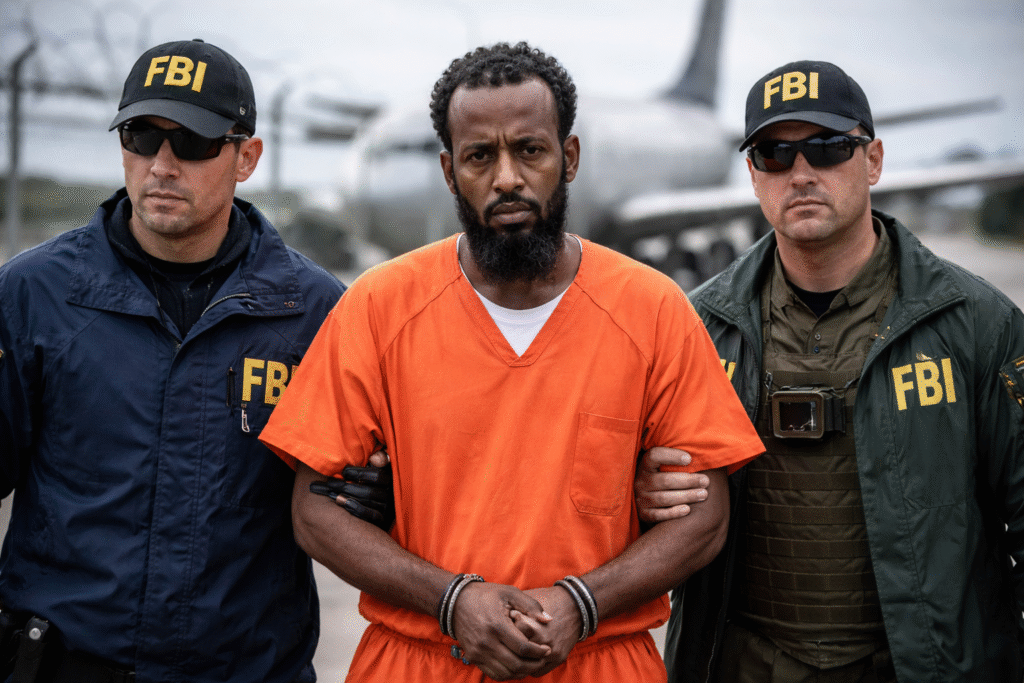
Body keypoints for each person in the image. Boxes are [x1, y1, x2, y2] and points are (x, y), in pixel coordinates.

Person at [258, 41, 764, 682]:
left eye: (529, 150)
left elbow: (705, 517)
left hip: (599, 663)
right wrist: (450, 599)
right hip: (418, 662)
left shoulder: (653, 310)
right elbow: (314, 511)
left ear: (569, 156)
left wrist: (583, 604)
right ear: (450, 170)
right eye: (479, 156)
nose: (507, 178)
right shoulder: (378, 308)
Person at [636, 60, 1024, 682]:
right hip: (742, 664)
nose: (801, 174)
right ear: (752, 174)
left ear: (872, 161)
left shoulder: (977, 323)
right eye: (774, 154)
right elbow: (627, 513)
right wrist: (643, 495)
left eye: (828, 148)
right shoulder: (694, 327)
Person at [0, 39, 352, 682]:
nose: (162, 165)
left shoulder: (315, 312)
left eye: (191, 142)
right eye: (141, 136)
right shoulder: (33, 296)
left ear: (247, 156)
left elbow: (353, 503)